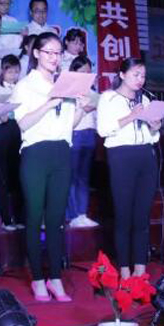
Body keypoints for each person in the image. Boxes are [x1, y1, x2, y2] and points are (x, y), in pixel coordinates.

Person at [11, 32, 91, 302]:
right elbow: (23, 123)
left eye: (58, 53)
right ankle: (37, 279)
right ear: (36, 53)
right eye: (49, 52)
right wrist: (48, 104)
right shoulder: (25, 86)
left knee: (56, 220)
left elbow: (68, 125)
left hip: (61, 152)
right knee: (35, 218)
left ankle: (55, 278)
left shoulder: (64, 84)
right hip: (35, 153)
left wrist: (82, 109)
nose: (54, 58)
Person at [97, 57, 161, 278]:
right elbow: (103, 129)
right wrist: (131, 116)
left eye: (143, 75)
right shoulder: (108, 98)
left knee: (142, 217)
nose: (140, 79)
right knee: (123, 215)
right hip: (121, 157)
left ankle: (140, 270)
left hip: (146, 156)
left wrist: (154, 126)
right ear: (122, 75)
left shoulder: (146, 99)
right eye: (135, 74)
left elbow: (153, 136)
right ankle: (124, 269)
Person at [0, 54, 24, 230]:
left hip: (19, 131)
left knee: (19, 176)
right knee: (2, 177)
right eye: (10, 72)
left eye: (16, 72)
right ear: (2, 70)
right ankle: (6, 219)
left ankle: (20, 217)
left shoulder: (22, 88)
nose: (13, 75)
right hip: (1, 132)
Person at [66, 55, 100, 229]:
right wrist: (83, 108)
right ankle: (72, 215)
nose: (86, 75)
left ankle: (82, 213)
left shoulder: (93, 93)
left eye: (89, 72)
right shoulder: (68, 91)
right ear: (74, 72)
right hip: (74, 134)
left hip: (89, 135)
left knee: (84, 177)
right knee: (71, 176)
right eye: (82, 72)